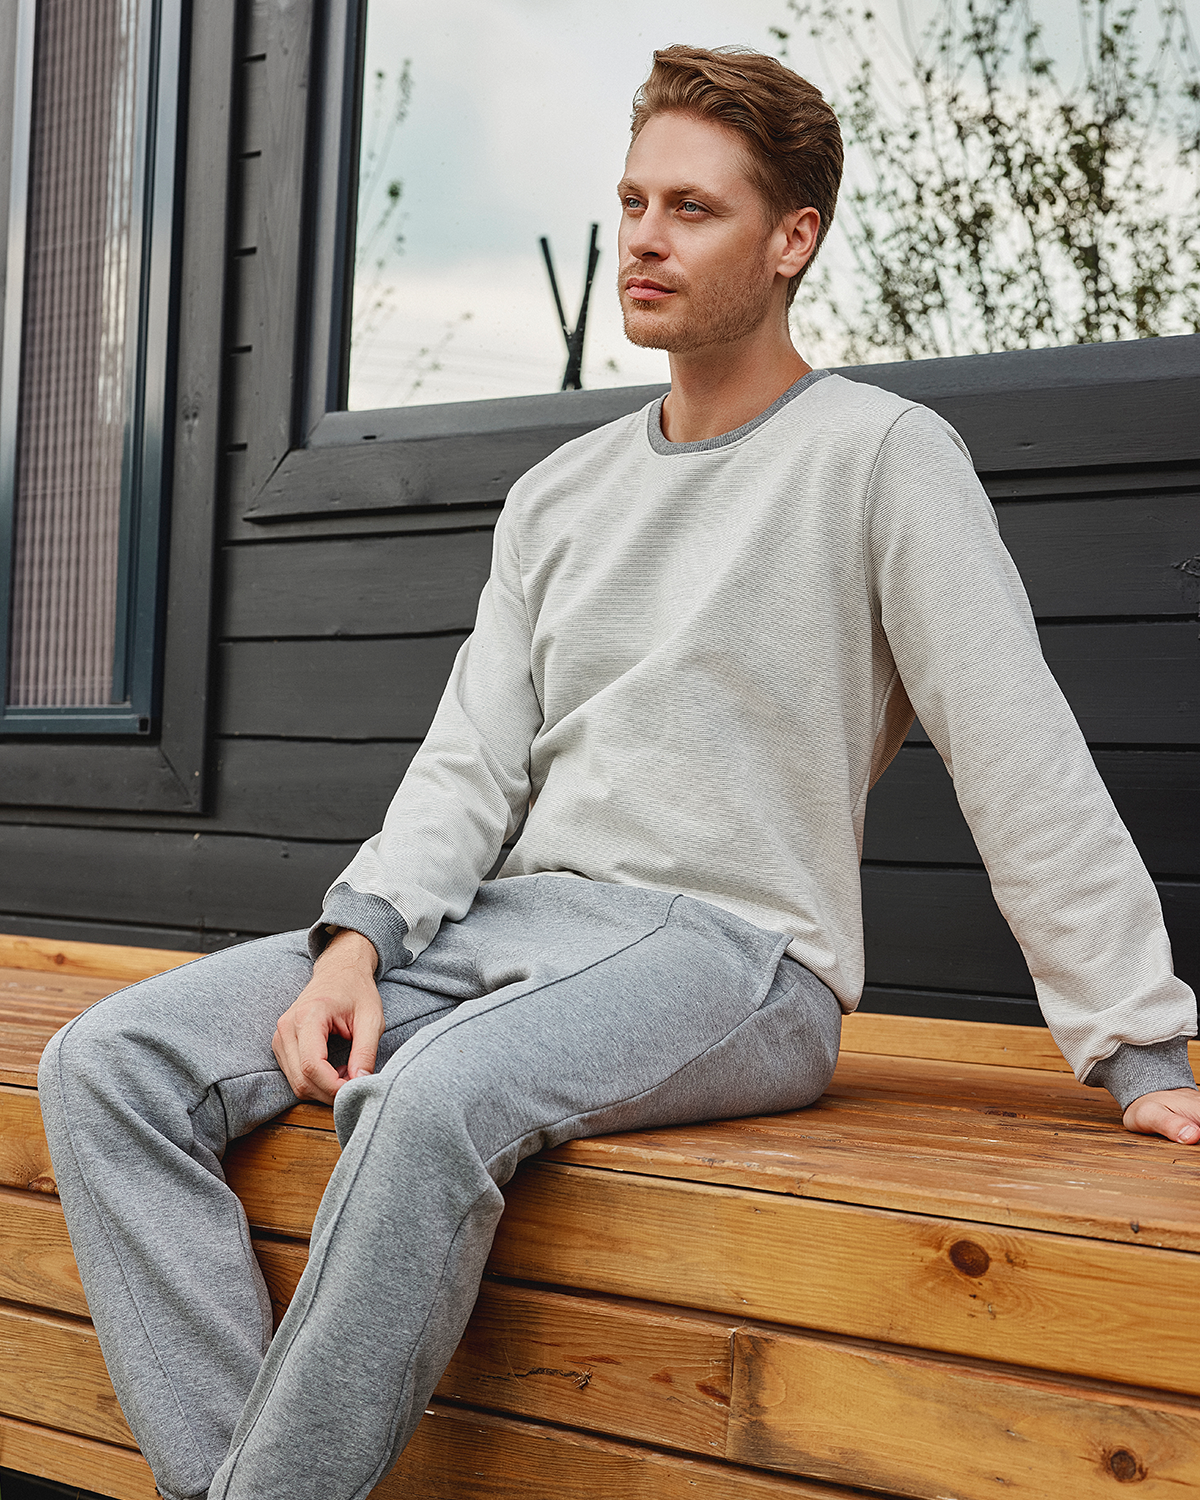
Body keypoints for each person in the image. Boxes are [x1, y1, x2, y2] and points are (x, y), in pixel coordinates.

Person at [39, 43, 1198, 1500]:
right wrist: (355, 943)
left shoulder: (882, 458)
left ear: (792, 240)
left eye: (693, 209)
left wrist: (1136, 1043)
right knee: (108, 1065)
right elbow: (467, 762)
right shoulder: (559, 494)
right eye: (634, 201)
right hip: (517, 928)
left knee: (424, 1101)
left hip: (736, 954)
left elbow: (1017, 747)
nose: (646, 236)